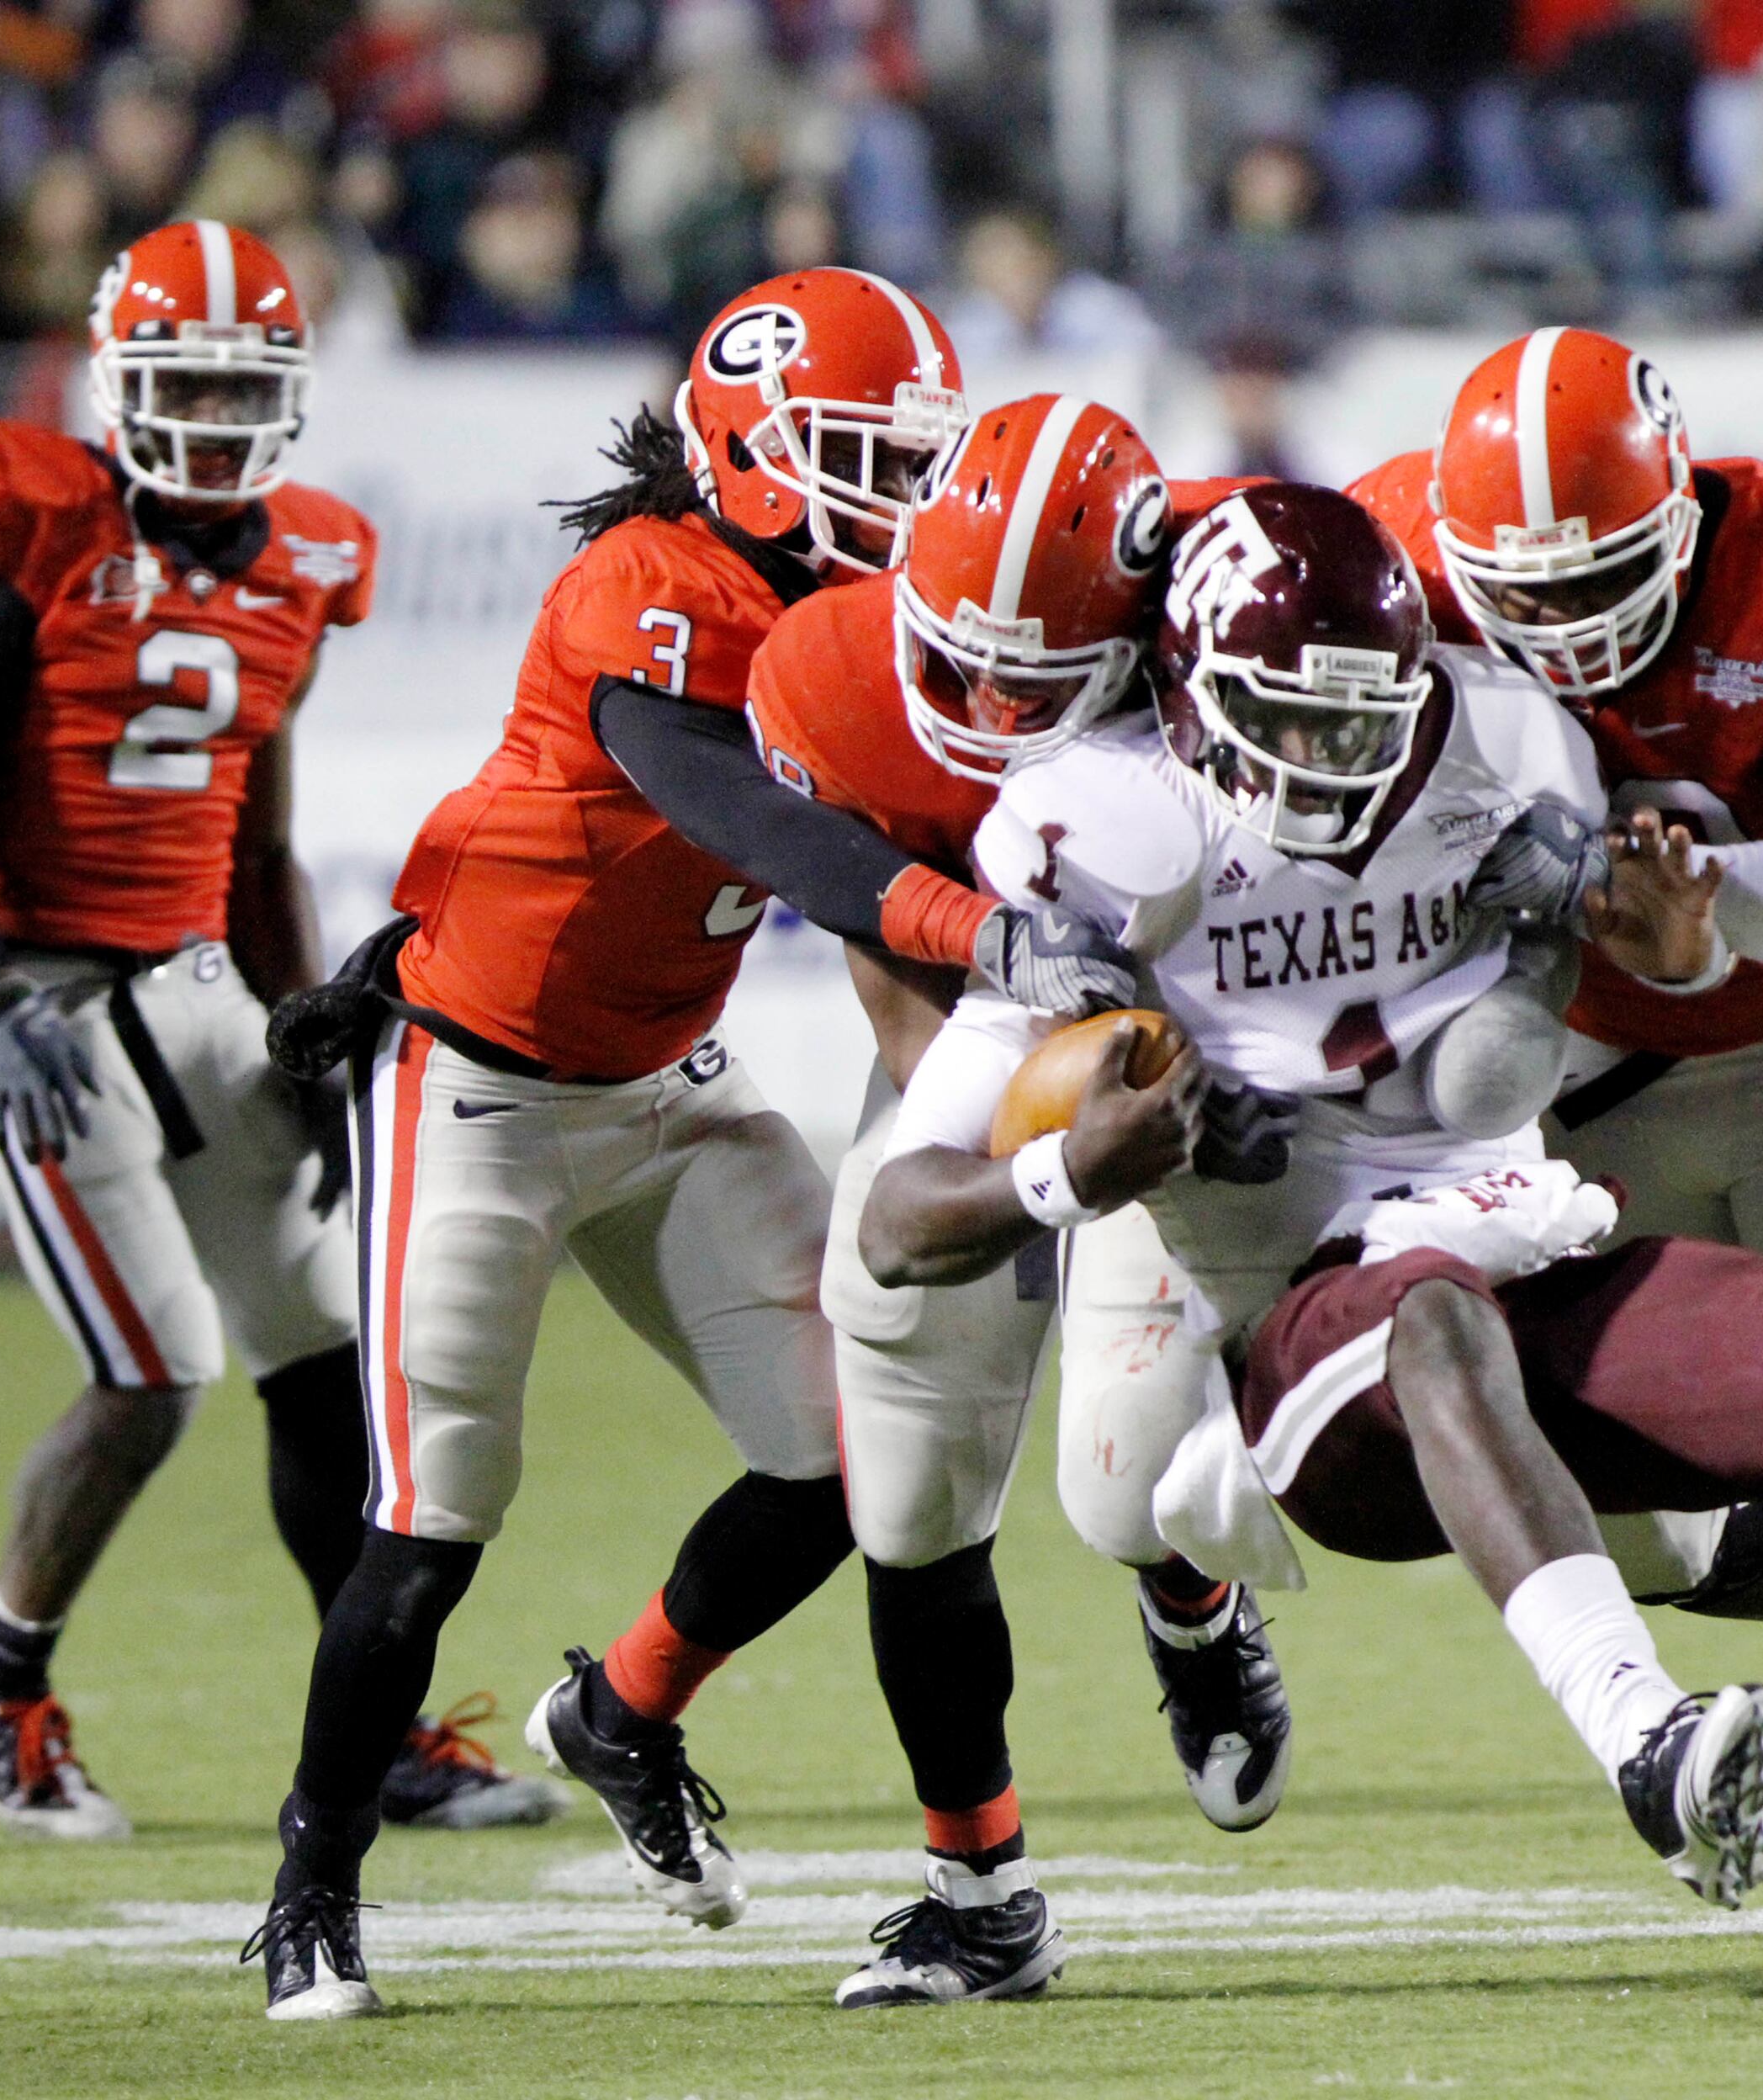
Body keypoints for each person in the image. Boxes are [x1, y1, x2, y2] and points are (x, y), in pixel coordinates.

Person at [853, 480, 1763, 2032]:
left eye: (1368, 716)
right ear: (1192, 707)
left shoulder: (1500, 743)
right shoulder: (1102, 836)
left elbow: (1669, 939)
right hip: (1307, 1346)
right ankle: (1644, 1737)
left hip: (1526, 1244)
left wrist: (1650, 916)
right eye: (1294, 721)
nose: (1340, 758)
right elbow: (897, 1220)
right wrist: (1072, 1171)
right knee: (1410, 1330)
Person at [241, 268, 979, 2021]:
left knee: (857, 1456)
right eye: (865, 457)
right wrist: (985, 933)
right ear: (754, 452)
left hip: (672, 1091)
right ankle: (311, 1890)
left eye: (918, 460)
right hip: (479, 1094)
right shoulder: (644, 586)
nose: (903, 497)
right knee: (428, 1531)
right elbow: (763, 829)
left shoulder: (860, 605)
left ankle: (626, 1709)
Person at [609, 394, 1291, 2004]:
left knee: (1125, 1486)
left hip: (1218, 1033)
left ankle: (1191, 1599)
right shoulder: (836, 668)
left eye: (1032, 682)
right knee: (905, 1472)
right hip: (988, 1026)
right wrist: (1018, 1151)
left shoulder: (1235, 591)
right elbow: (889, 948)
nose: (985, 704)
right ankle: (980, 1893)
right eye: (955, 658)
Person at [0, 220, 551, 1846]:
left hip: (199, 990)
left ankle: (375, 1736)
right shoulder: (33, 514)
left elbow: (259, 840)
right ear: (118, 381)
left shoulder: (306, 558)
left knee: (328, 1363)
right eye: (183, 385)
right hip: (49, 1002)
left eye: (241, 388)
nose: (211, 419)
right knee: (154, 1371)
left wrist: (301, 1026)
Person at [1352, 330, 1763, 1940]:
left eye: (1600, 577)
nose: (1563, 623)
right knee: (1618, 1509)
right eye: (1524, 588)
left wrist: (1695, 897)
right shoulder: (1390, 553)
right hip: (1580, 1078)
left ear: (1681, 518)